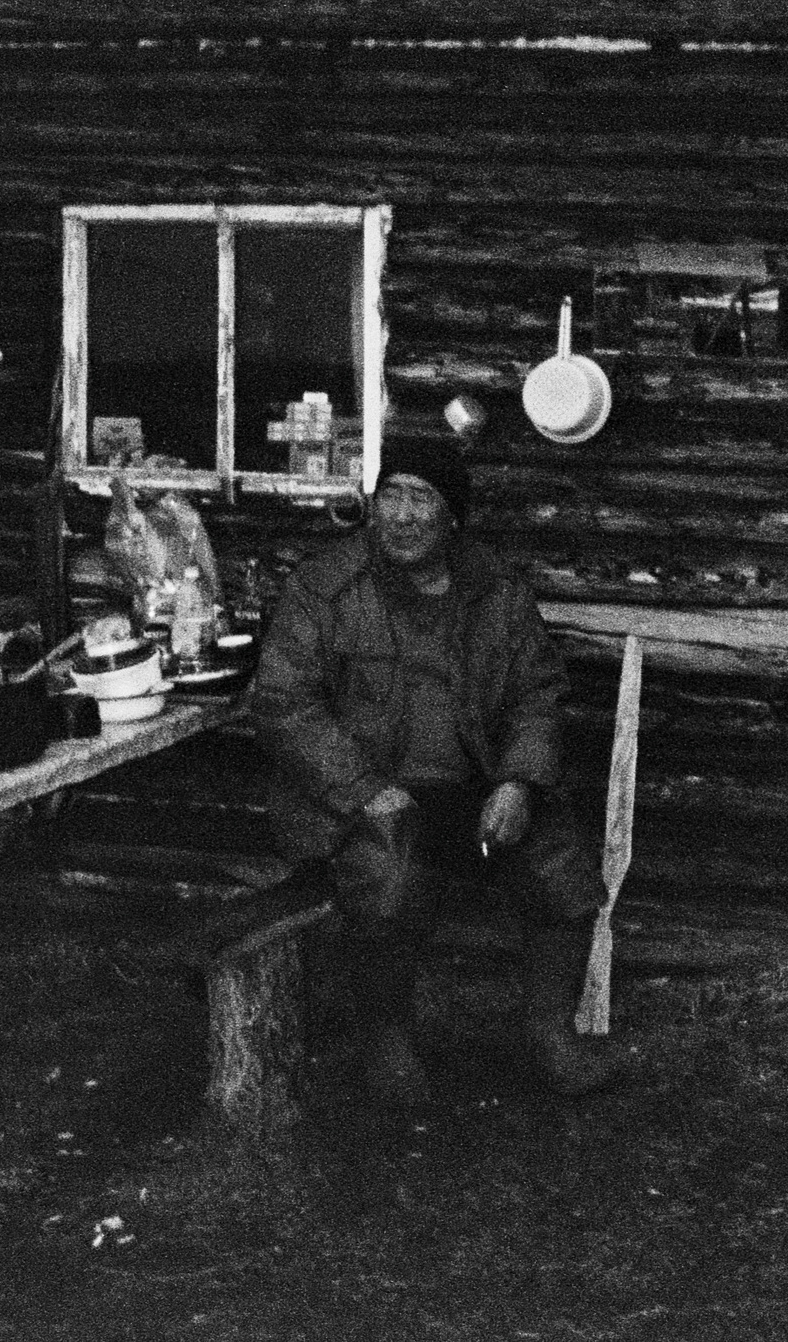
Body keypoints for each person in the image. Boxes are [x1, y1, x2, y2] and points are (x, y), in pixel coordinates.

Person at [251, 436, 620, 1105]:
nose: (401, 513)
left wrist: (517, 782)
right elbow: (283, 703)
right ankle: (386, 1038)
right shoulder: (326, 588)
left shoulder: (496, 593)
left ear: (453, 515)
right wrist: (364, 789)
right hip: (362, 799)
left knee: (560, 868)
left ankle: (547, 1031)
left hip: (474, 789)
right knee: (388, 883)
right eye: (390, 493)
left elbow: (537, 694)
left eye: (421, 497)